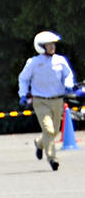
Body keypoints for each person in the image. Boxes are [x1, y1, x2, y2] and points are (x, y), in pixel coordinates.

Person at [19, 30, 75, 171]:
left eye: (53, 44)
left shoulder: (60, 60)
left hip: (57, 100)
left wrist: (68, 84)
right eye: (49, 45)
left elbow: (68, 75)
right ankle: (52, 158)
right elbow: (23, 79)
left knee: (54, 131)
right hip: (40, 101)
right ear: (41, 46)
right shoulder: (33, 62)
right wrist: (23, 94)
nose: (52, 47)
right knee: (49, 129)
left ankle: (39, 143)